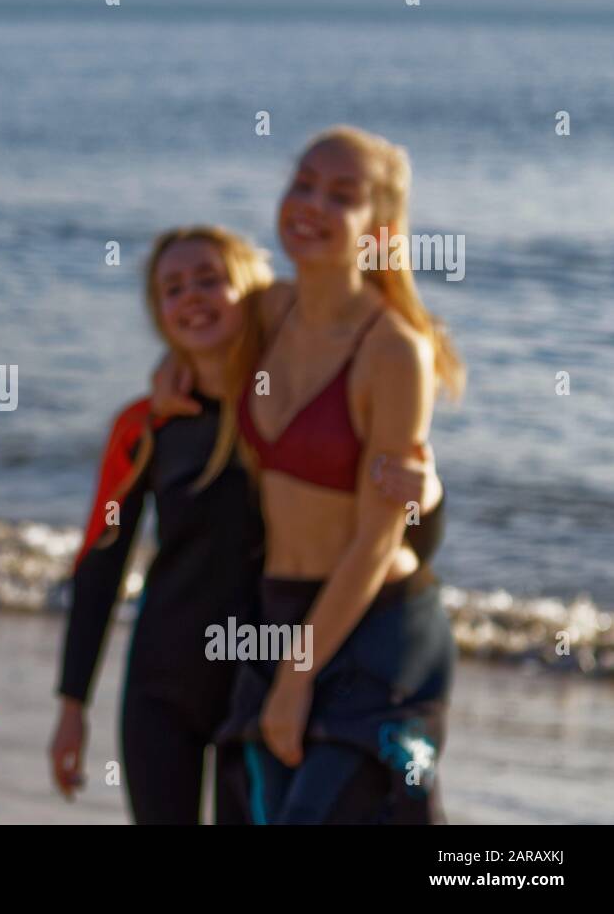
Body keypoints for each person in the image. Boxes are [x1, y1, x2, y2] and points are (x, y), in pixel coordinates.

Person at [50, 226, 443, 823]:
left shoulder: (285, 420)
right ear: (158, 314)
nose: (192, 297)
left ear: (255, 294)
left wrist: (431, 497)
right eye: (172, 288)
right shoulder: (146, 424)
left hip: (261, 680)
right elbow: (102, 564)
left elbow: (394, 542)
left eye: (211, 279)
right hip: (163, 685)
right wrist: (72, 704)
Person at [216, 126, 464, 823]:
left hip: (378, 628)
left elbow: (380, 538)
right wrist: (174, 375)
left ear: (379, 225)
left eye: (341, 195)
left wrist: (297, 677)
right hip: (280, 609)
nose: (311, 204)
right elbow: (195, 333)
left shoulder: (394, 351)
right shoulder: (268, 310)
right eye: (303, 183)